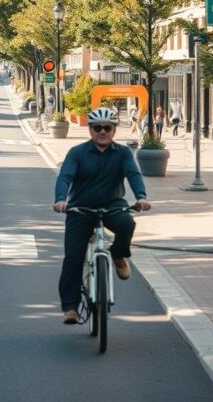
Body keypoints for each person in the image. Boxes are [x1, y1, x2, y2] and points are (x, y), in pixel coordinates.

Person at [53, 107, 152, 324]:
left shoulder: (123, 153)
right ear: (90, 129)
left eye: (107, 128)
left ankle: (118, 254)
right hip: (81, 208)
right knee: (73, 258)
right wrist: (61, 199)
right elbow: (65, 177)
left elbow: (133, 174)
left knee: (126, 224)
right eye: (97, 128)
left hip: (112, 205)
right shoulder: (77, 153)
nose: (102, 131)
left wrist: (141, 197)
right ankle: (70, 307)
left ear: (114, 130)